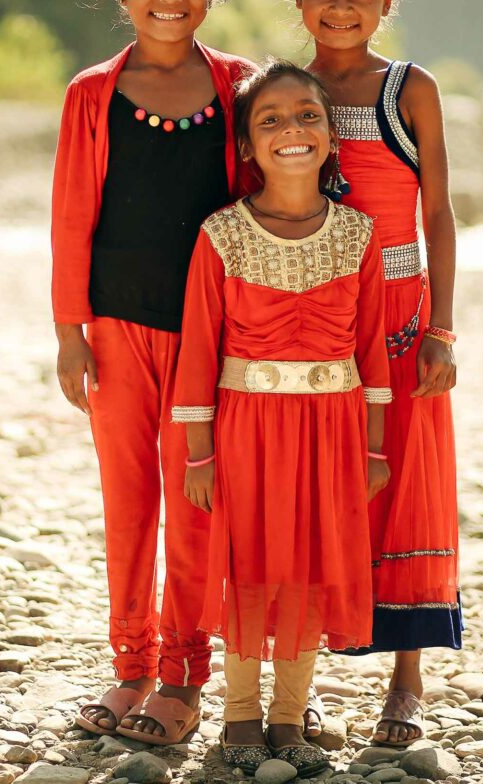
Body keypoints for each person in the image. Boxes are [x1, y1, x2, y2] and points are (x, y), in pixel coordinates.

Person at [51, 0, 256, 744]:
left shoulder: (240, 86)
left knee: (196, 499)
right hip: (115, 328)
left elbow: (268, 202)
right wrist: (70, 330)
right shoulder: (93, 94)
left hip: (212, 337)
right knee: (129, 501)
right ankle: (132, 666)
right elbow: (71, 219)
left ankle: (184, 674)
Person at [171, 61, 392, 776]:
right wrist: (199, 454)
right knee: (246, 564)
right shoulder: (221, 235)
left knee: (305, 565)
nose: (291, 130)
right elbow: (199, 348)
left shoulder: (359, 236)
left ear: (330, 135)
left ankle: (290, 715)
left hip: (330, 431)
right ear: (244, 146)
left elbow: (371, 353)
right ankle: (239, 714)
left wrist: (374, 448)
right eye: (270, 119)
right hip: (243, 428)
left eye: (307, 116)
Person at [294, 0, 462, 747]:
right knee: (308, 488)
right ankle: (300, 676)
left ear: (388, 0)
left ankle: (406, 681)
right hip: (311, 318)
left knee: (402, 481)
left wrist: (443, 330)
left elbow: (437, 212)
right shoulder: (282, 90)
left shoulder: (409, 90)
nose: (340, 7)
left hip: (398, 320)